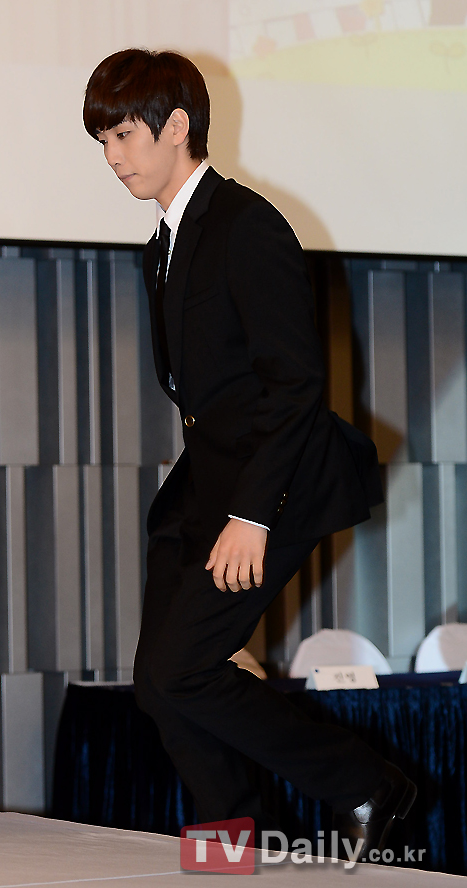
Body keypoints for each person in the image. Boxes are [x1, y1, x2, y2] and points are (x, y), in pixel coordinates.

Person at [83, 48, 416, 858]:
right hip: (206, 484)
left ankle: (368, 784)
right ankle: (230, 843)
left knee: (184, 671)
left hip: (274, 484)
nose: (111, 157)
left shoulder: (246, 225)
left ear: (176, 126)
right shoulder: (164, 242)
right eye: (102, 141)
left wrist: (250, 515)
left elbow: (294, 384)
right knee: (161, 683)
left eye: (123, 135)